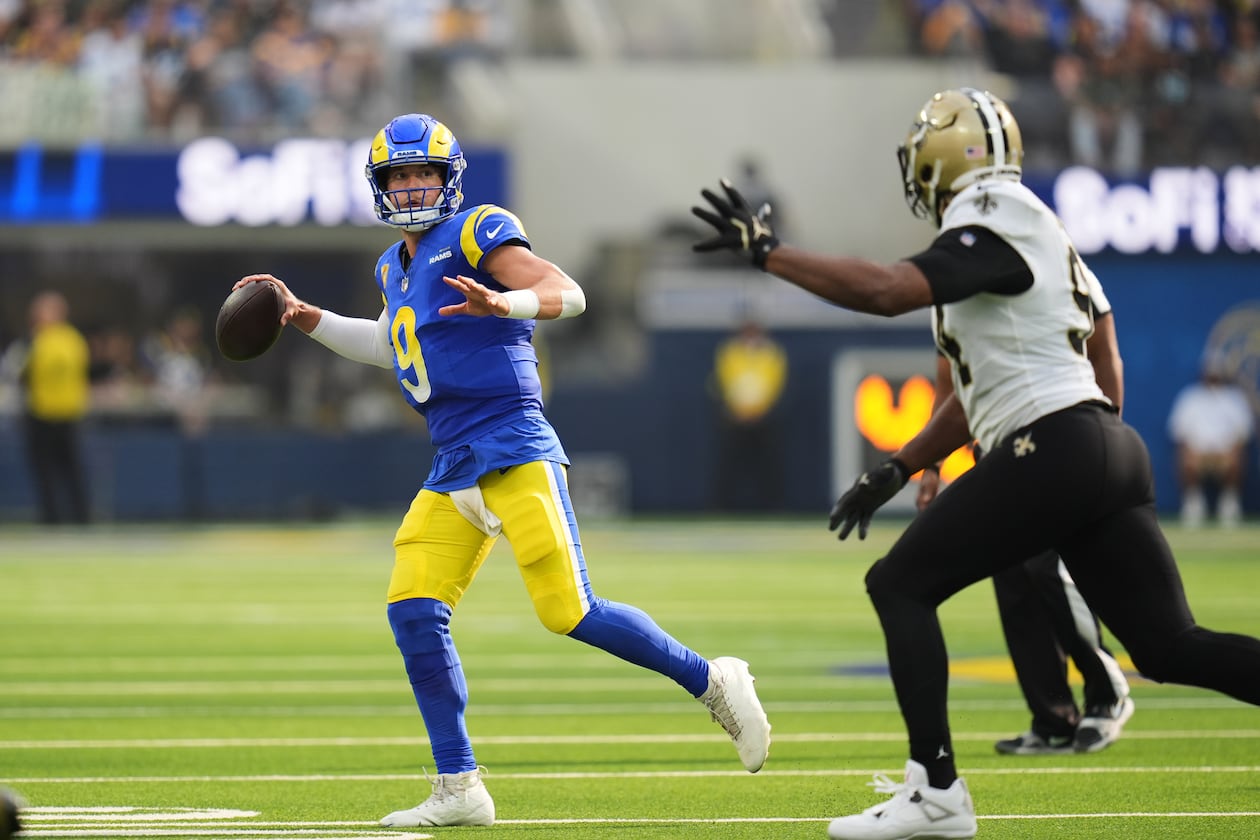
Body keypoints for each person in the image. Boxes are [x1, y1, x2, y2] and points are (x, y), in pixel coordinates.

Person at [691, 87, 1260, 840]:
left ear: (947, 155)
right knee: (1166, 646)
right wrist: (900, 465)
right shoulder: (1033, 231)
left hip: (1055, 439)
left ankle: (936, 793)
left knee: (898, 584)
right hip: (1104, 445)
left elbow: (888, 291)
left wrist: (770, 254)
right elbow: (993, 387)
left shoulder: (994, 216)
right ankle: (948, 784)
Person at [231, 112, 771, 829]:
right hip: (452, 459)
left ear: (448, 178)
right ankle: (459, 785)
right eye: (400, 175)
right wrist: (304, 316)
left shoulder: (478, 229)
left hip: (513, 445)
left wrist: (504, 300)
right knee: (414, 611)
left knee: (568, 611)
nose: (413, 185)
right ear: (382, 185)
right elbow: (395, 345)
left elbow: (567, 291)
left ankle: (712, 679)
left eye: (424, 172)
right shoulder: (392, 266)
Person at [920, 350, 1133, 756]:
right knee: (1013, 581)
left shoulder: (1031, 295)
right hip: (995, 455)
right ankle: (1054, 717)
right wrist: (932, 466)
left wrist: (1107, 441)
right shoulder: (952, 310)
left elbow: (1103, 355)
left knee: (1048, 569)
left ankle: (1108, 691)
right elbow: (950, 392)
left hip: (1050, 446)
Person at [19, 291, 92, 525]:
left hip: (49, 413)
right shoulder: (75, 339)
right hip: (60, 414)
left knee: (59, 472)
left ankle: (66, 519)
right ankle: (73, 519)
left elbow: (21, 373)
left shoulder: (37, 340)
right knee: (61, 473)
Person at [1167, 353, 1253, 527]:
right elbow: (1178, 432)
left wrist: (1229, 450)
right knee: (1185, 456)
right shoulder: (1190, 397)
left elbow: (1244, 432)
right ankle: (1193, 504)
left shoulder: (1234, 399)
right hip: (1197, 455)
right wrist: (1193, 451)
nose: (1213, 377)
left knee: (1237, 456)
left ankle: (1229, 505)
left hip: (1225, 455)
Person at [711, 318, 787, 511]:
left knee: (768, 466)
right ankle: (721, 507)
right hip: (735, 418)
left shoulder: (771, 354)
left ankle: (773, 506)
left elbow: (775, 383)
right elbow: (724, 380)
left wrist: (760, 410)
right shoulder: (730, 352)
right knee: (729, 466)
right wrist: (737, 410)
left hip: (763, 419)